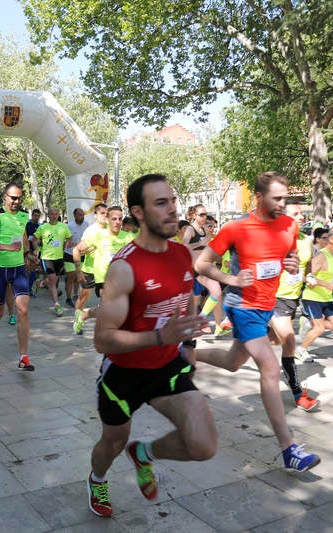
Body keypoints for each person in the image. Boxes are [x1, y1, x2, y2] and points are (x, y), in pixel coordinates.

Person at [87, 175, 214, 518]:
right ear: (138, 213)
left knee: (203, 445)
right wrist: (162, 336)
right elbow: (102, 339)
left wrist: (187, 341)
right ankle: (97, 479)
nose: (172, 209)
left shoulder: (180, 254)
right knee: (111, 443)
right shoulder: (125, 267)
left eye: (172, 200)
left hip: (167, 367)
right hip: (123, 375)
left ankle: (144, 453)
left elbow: (185, 300)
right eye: (161, 203)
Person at [195, 171, 321, 473]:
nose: (282, 204)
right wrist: (231, 278)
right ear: (259, 197)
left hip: (269, 304)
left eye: (285, 198)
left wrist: (291, 263)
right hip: (243, 306)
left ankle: (185, 354)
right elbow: (201, 263)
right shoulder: (236, 228)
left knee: (232, 362)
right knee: (269, 366)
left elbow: (289, 256)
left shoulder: (289, 226)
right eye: (276, 198)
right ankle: (288, 449)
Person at [0, 183, 38, 371]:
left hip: (19, 269)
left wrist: (29, 255)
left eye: (19, 198)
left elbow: (24, 240)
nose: (16, 201)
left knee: (23, 311)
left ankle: (23, 357)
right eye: (13, 198)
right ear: (5, 197)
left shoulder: (22, 216)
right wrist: (6, 247)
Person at [267, 203, 319, 411]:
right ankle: (298, 394)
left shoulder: (306, 240)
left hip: (292, 298)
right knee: (289, 341)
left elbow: (308, 265)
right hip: (273, 297)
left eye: (301, 213)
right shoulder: (273, 240)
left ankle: (241, 326)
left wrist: (311, 276)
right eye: (295, 214)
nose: (301, 216)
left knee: (268, 341)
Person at [72, 206, 134, 332]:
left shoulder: (128, 237)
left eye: (120, 219)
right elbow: (76, 250)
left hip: (122, 279)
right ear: (108, 219)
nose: (117, 222)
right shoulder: (98, 235)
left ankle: (85, 314)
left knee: (112, 309)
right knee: (111, 308)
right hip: (103, 278)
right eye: (114, 219)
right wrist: (78, 271)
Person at [296, 227, 333, 362]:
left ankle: (309, 323)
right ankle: (301, 350)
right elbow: (307, 277)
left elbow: (332, 277)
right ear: (332, 239)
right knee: (319, 329)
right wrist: (329, 285)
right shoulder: (322, 256)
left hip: (327, 297)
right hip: (313, 297)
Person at [182, 204, 226, 334]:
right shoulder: (190, 230)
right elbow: (184, 246)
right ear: (194, 215)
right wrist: (201, 243)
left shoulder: (205, 228)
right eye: (201, 214)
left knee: (216, 294)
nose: (204, 217)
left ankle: (217, 327)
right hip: (197, 267)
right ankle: (200, 320)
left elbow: (211, 242)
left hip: (207, 265)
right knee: (216, 292)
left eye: (205, 214)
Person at [72, 203, 108, 334]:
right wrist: (79, 270)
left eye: (106, 213)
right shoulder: (90, 231)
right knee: (83, 299)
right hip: (89, 270)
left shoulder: (111, 229)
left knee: (107, 304)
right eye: (102, 213)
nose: (105, 216)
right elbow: (79, 250)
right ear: (95, 215)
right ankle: (78, 318)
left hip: (104, 272)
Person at [33, 207, 72, 316]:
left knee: (53, 280)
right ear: (48, 215)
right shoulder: (43, 227)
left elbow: (69, 237)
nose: (54, 216)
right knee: (53, 281)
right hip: (47, 258)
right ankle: (57, 305)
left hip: (59, 258)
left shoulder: (64, 226)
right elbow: (34, 239)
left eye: (56, 214)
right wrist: (36, 248)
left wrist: (67, 243)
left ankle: (41, 282)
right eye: (52, 214)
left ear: (58, 215)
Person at [64, 207, 88, 308]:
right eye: (79, 215)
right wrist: (68, 243)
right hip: (70, 254)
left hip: (82, 254)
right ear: (74, 216)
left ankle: (75, 294)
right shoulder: (69, 226)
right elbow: (65, 240)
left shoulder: (86, 224)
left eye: (82, 215)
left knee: (78, 277)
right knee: (71, 277)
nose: (81, 217)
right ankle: (68, 298)